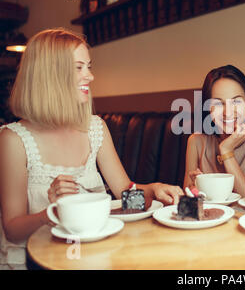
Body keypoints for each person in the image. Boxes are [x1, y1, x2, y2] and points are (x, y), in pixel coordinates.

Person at [0, 28, 184, 270]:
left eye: (89, 66)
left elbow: (125, 195)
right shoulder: (13, 139)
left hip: (91, 255)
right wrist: (53, 211)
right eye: (78, 68)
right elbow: (13, 230)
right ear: (50, 75)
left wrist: (153, 190)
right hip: (33, 260)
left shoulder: (96, 128)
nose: (90, 76)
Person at [183, 65, 245, 197]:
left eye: (236, 101)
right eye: (218, 103)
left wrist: (226, 150)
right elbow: (187, 195)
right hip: (211, 217)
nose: (228, 112)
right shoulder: (196, 141)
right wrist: (196, 188)